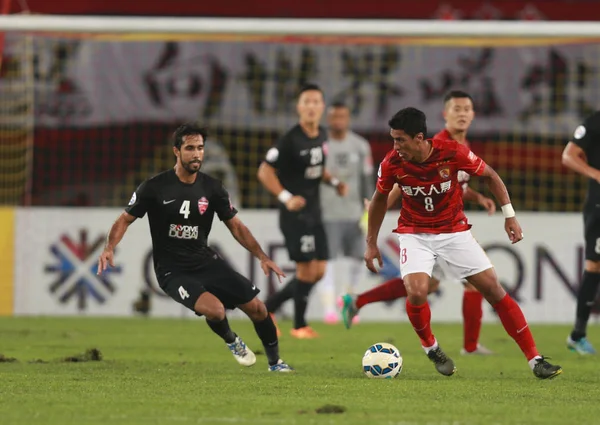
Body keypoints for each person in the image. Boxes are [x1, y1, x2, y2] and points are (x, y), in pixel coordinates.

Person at [363, 107, 562, 379]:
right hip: (415, 232)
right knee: (417, 291)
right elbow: (378, 201)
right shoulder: (392, 163)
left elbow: (490, 175)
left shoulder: (452, 152)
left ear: (419, 137)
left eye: (400, 140)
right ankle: (431, 346)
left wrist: (510, 216)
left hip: (454, 232)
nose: (395, 146)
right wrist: (371, 243)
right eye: (393, 139)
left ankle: (535, 360)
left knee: (493, 289)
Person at [97, 123, 293, 372]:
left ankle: (276, 363)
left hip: (205, 261)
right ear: (176, 151)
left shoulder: (212, 188)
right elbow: (124, 219)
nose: (197, 154)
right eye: (190, 148)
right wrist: (109, 247)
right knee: (216, 310)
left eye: (200, 148)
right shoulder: (154, 187)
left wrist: (262, 257)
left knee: (258, 308)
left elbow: (237, 227)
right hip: (172, 270)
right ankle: (232, 341)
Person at [341, 91, 496, 355]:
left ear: (474, 114)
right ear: (444, 115)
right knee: (467, 283)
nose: (462, 113)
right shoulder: (436, 145)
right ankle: (469, 347)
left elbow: (454, 185)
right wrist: (379, 205)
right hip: (433, 228)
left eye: (467, 109)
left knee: (428, 285)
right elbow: (408, 184)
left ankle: (358, 300)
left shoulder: (462, 145)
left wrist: (478, 197)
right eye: (456, 109)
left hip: (446, 226)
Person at [258, 84, 347, 339]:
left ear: (322, 107)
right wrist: (286, 197)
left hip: (315, 211)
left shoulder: (321, 135)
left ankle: (268, 309)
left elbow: (317, 169)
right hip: (295, 215)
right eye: (306, 102)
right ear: (299, 107)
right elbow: (264, 171)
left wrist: (334, 183)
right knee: (306, 271)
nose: (310, 106)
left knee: (318, 272)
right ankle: (299, 325)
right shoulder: (289, 139)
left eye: (315, 102)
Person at [316, 101, 374, 324]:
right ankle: (329, 309)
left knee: (357, 260)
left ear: (348, 119)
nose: (338, 121)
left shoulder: (360, 146)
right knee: (327, 262)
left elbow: (367, 178)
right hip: (326, 213)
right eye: (334, 117)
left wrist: (370, 204)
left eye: (342, 117)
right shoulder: (320, 145)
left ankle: (347, 302)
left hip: (354, 213)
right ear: (328, 119)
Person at [562, 111, 600, 354]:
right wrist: (596, 174)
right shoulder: (595, 122)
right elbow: (569, 156)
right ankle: (577, 335)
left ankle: (577, 335)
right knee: (594, 266)